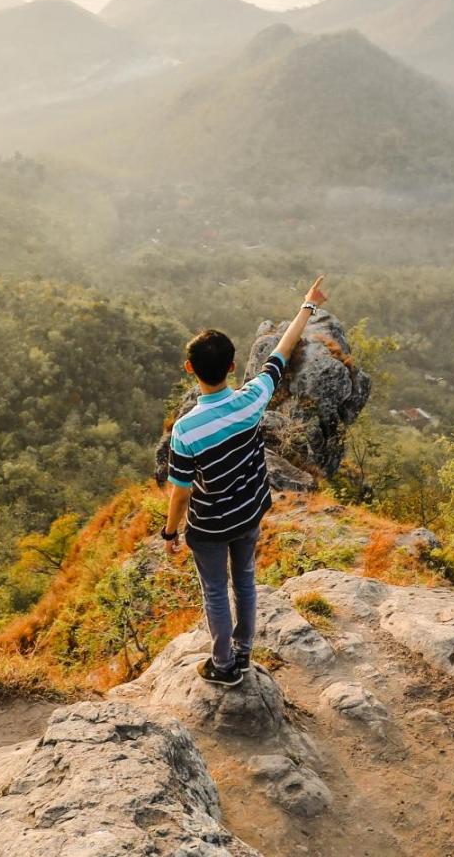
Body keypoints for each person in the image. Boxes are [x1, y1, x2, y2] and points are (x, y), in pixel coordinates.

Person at [161, 275, 329, 685]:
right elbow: (281, 351)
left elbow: (180, 494)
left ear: (190, 369)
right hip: (250, 512)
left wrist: (169, 534)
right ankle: (244, 653)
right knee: (246, 582)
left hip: (211, 526)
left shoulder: (186, 429)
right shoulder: (253, 398)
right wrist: (307, 305)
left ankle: (222, 666)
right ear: (233, 366)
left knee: (216, 590)